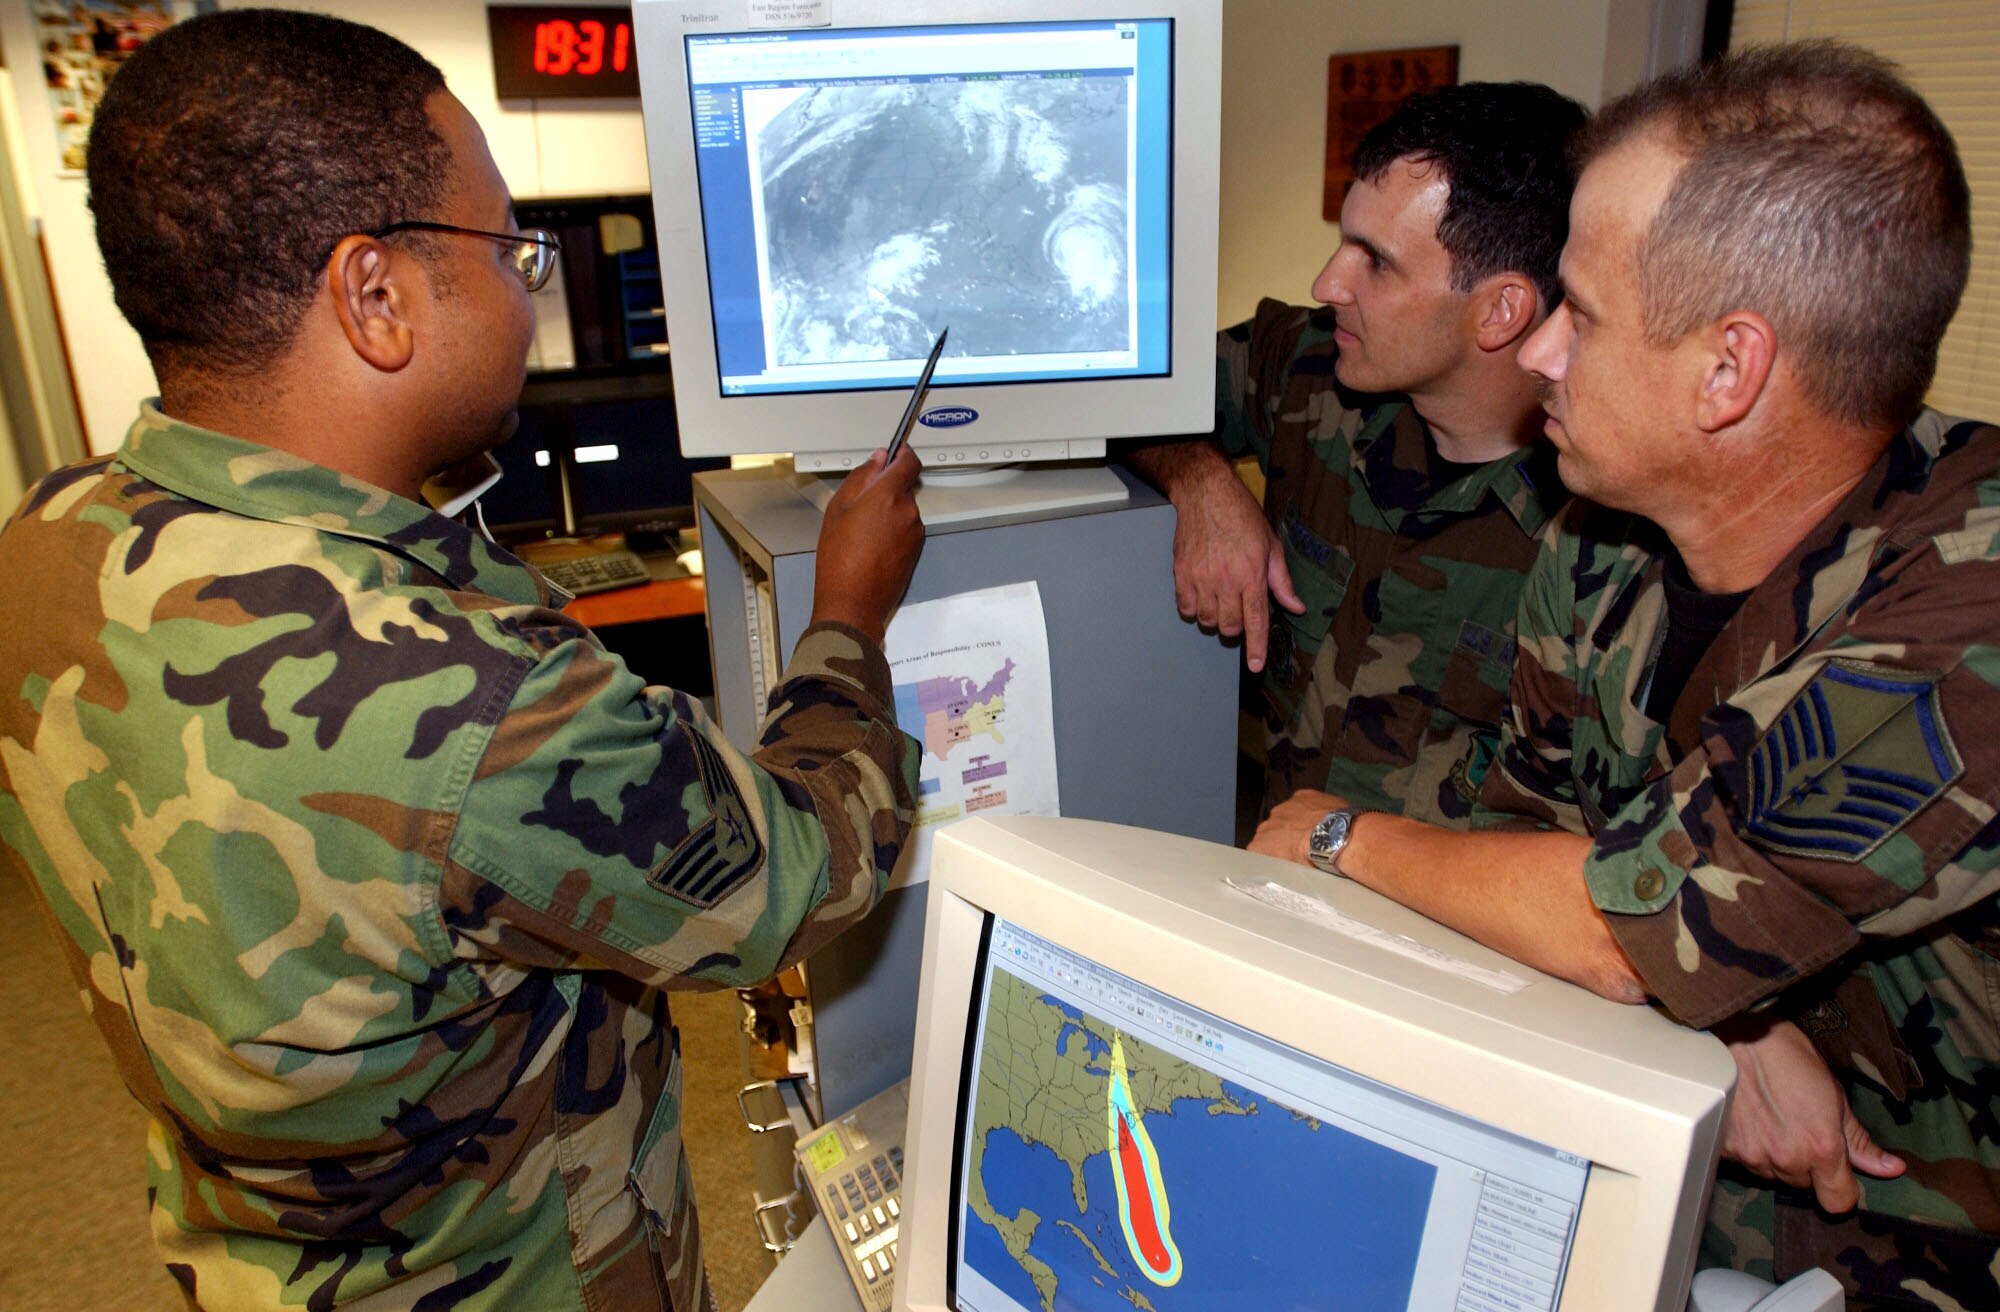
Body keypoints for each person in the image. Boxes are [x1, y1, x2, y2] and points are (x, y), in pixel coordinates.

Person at [0, 11, 923, 1311]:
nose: (528, 289)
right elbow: (799, 874)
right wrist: (848, 619)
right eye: (510, 250)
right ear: (373, 294)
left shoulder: (43, 550)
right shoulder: (479, 700)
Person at [1251, 42, 1997, 1307]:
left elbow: (1611, 922)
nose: (1534, 348)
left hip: (1915, 1231)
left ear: (1728, 370)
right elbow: (1521, 858)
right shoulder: (1593, 553)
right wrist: (1731, 1016)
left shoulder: (1965, 611)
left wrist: (1334, 837)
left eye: (1578, 313)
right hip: (1648, 1172)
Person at [1127, 82, 1585, 827]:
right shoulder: (1307, 370)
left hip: (1446, 936)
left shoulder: (1603, 525)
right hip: (1276, 892)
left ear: (1500, 310)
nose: (1327, 283)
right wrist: (1201, 481)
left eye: (1375, 261)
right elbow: (1123, 395)